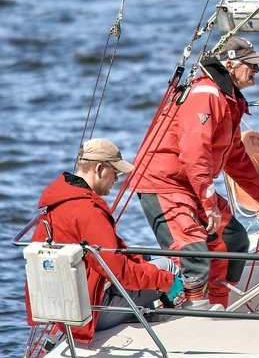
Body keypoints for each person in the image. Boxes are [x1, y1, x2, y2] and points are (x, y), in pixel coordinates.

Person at [133, 36, 259, 310]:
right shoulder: (206, 95)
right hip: (164, 184)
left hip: (190, 184)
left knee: (233, 240)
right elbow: (195, 154)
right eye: (251, 65)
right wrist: (208, 203)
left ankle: (219, 304)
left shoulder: (227, 99)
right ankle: (192, 306)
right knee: (193, 249)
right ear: (229, 64)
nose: (257, 71)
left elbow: (236, 159)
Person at [25, 138, 182, 342]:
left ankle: (154, 312)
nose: (117, 178)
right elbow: (122, 272)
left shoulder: (56, 204)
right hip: (93, 315)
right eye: (115, 172)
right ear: (99, 169)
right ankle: (180, 328)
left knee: (143, 257)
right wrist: (166, 281)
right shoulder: (89, 211)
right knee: (168, 266)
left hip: (65, 314)